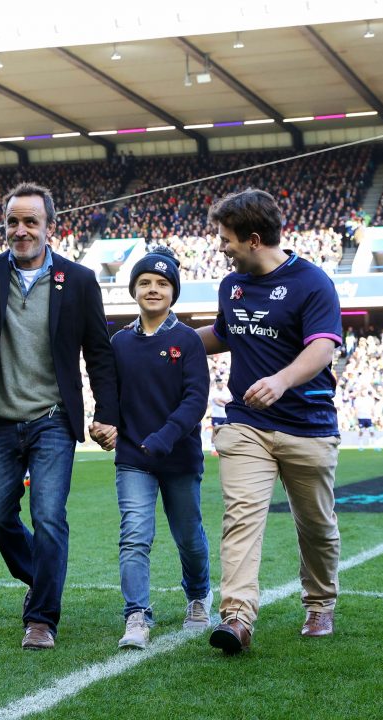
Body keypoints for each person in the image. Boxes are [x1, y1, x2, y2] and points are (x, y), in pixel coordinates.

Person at [0, 179, 119, 650]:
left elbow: (98, 352)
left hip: (53, 420)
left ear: (50, 227)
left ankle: (41, 619)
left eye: (31, 221)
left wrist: (107, 412)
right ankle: (43, 578)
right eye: (13, 221)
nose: (21, 229)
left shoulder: (79, 281)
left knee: (49, 517)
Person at [195, 188, 344, 655]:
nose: (221, 246)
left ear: (254, 239)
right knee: (240, 518)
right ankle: (237, 618)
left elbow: (323, 347)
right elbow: (223, 334)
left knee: (316, 525)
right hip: (245, 425)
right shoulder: (230, 285)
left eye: (226, 239)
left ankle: (320, 602)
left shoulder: (312, 282)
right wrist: (162, 341)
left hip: (309, 425)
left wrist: (281, 381)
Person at [109, 246, 211, 650]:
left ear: (174, 292)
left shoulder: (187, 341)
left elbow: (194, 401)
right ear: (134, 289)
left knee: (188, 535)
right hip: (134, 458)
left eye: (162, 283)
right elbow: (111, 396)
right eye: (145, 282)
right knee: (134, 535)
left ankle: (199, 596)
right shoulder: (118, 341)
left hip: (179, 456)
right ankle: (136, 615)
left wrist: (164, 438)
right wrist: (106, 424)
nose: (153, 289)